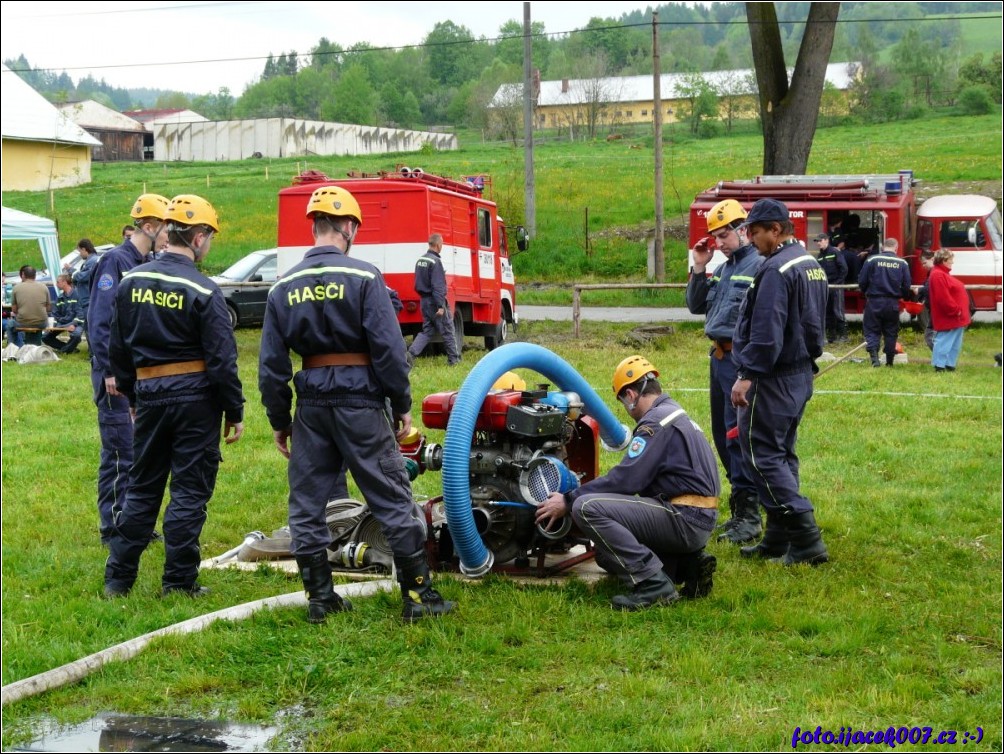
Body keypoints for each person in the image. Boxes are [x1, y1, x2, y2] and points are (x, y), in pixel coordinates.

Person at [259, 185, 455, 624]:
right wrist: (401, 402)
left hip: (310, 406)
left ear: (315, 226)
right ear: (348, 227)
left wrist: (279, 418)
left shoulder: (282, 287)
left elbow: (272, 366)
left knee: (307, 503)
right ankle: (419, 596)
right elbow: (387, 349)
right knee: (390, 494)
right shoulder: (365, 278)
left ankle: (320, 598)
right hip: (361, 401)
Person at [104, 194, 244, 598]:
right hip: (196, 401)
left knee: (142, 487)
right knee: (188, 490)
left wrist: (133, 396)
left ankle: (118, 579)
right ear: (198, 236)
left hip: (148, 395)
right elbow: (222, 360)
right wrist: (233, 410)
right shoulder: (203, 289)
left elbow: (118, 348)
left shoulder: (131, 282)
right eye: (210, 237)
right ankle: (179, 583)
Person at [535, 355, 720, 610]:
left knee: (586, 508)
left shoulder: (654, 423)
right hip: (698, 517)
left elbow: (625, 480)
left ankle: (654, 585)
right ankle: (686, 566)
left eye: (623, 402)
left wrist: (568, 499)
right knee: (606, 555)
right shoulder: (675, 414)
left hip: (683, 517)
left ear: (630, 396)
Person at [730, 198, 829, 567]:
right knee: (782, 452)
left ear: (776, 229)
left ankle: (806, 539)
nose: (751, 239)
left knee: (761, 455)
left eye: (754, 231)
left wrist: (747, 375)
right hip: (800, 373)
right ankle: (777, 537)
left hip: (772, 377)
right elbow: (825, 320)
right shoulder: (810, 263)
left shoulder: (775, 269)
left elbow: (766, 332)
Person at [88, 193, 169, 546]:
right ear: (149, 227)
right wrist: (109, 371)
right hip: (114, 377)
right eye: (166, 228)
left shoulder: (147, 262)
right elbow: (100, 322)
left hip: (137, 376)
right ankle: (112, 527)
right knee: (120, 451)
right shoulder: (114, 263)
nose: (170, 235)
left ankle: (132, 522)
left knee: (138, 450)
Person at [685, 199, 763, 545]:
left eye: (723, 235)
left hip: (739, 360)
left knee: (739, 436)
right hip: (718, 360)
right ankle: (739, 507)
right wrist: (699, 267)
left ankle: (750, 514)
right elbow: (695, 305)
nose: (718, 243)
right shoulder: (724, 267)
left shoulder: (760, 266)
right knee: (722, 434)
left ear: (743, 230)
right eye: (715, 237)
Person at [406, 233, 461, 367]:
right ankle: (454, 361)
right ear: (437, 244)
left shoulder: (421, 260)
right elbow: (438, 286)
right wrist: (441, 306)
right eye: (441, 244)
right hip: (435, 302)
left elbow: (417, 284)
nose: (442, 246)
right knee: (448, 330)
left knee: (427, 331)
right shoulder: (436, 262)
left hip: (424, 301)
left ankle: (410, 354)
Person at [858, 237, 913, 367]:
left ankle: (874, 359)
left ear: (883, 247)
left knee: (872, 330)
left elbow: (862, 280)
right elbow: (907, 285)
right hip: (892, 303)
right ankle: (889, 362)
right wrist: (904, 296)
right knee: (891, 331)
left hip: (874, 301)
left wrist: (865, 292)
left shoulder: (872, 259)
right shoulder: (902, 263)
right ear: (896, 248)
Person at [928, 249, 972, 372]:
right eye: (951, 259)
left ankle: (949, 364)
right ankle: (939, 366)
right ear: (944, 260)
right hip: (950, 316)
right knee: (944, 341)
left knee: (954, 343)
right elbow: (943, 297)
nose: (953, 262)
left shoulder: (942, 274)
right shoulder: (938, 275)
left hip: (956, 317)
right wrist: (955, 310)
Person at [813, 232, 849, 343]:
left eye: (820, 241)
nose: (818, 243)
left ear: (826, 240)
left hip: (836, 286)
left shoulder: (834, 252)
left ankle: (844, 336)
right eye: (817, 241)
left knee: (838, 311)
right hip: (826, 287)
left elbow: (844, 269)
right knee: (828, 312)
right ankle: (832, 336)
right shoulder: (820, 256)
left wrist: (838, 283)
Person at [6, 265, 51, 346]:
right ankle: (35, 345)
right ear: (35, 275)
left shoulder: (16, 288)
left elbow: (14, 310)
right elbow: (48, 308)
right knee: (38, 321)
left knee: (10, 324)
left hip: (23, 322)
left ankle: (13, 348)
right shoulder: (44, 287)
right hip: (41, 323)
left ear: (23, 275)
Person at [41, 274, 84, 353]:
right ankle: (70, 349)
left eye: (58, 282)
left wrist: (73, 325)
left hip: (77, 323)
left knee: (76, 335)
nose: (56, 284)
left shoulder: (77, 294)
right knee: (45, 337)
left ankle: (65, 351)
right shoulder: (60, 297)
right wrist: (52, 326)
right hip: (63, 323)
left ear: (64, 282)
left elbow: (80, 314)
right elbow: (55, 314)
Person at [69, 238, 99, 326]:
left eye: (80, 251)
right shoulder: (90, 261)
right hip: (86, 301)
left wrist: (73, 273)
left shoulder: (93, 261)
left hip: (88, 301)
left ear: (84, 249)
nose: (80, 254)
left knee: (90, 328)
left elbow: (83, 276)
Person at [916, 250, 936, 350]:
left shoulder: (934, 273)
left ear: (932, 259)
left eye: (924, 263)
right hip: (933, 308)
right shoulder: (932, 272)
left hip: (936, 309)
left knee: (930, 336)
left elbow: (930, 288)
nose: (923, 266)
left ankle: (941, 358)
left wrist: (919, 290)